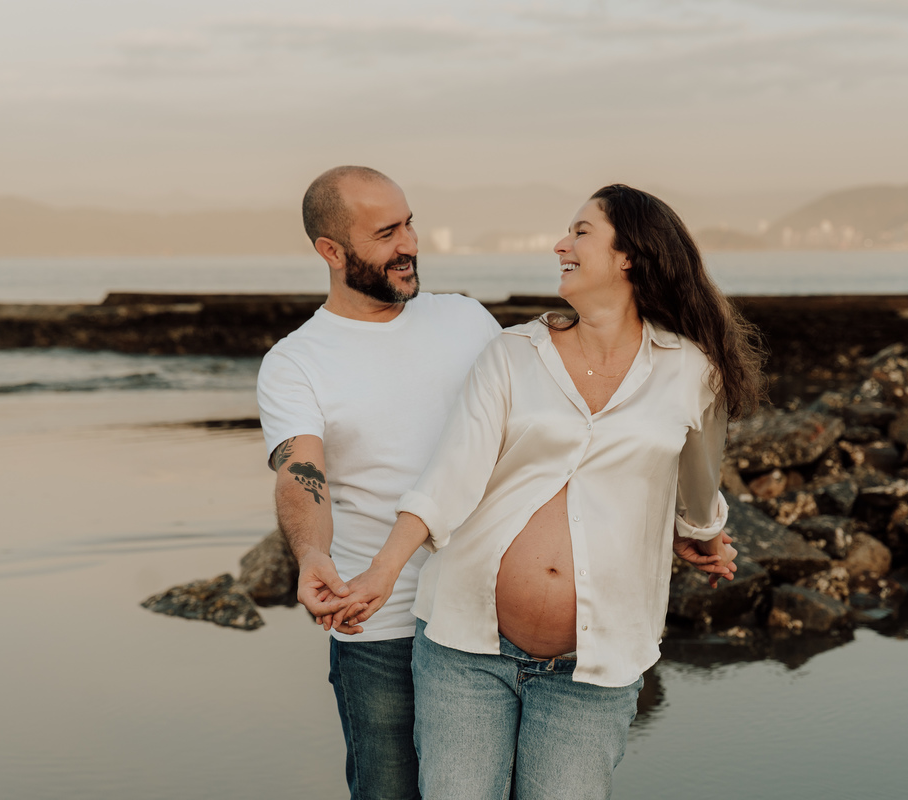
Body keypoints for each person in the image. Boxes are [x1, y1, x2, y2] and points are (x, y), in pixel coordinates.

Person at [332, 184, 765, 799]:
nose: (560, 244)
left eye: (581, 232)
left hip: (594, 670)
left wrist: (703, 537)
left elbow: (698, 488)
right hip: (467, 650)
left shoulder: (693, 372)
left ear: (629, 256)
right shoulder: (513, 354)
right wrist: (381, 572)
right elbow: (451, 476)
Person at [256, 165, 504, 799]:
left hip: (490, 612)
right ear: (331, 251)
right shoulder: (296, 361)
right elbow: (300, 468)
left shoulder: (468, 321)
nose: (410, 244)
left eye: (410, 222)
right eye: (387, 232)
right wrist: (311, 552)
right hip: (378, 621)